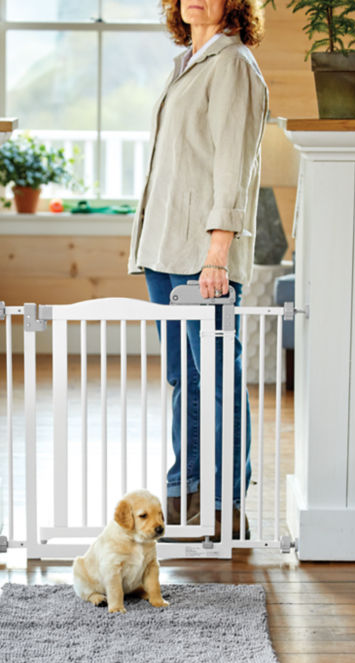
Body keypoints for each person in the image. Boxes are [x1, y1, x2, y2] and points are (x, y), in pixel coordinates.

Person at [128, 0, 269, 535]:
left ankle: (224, 503)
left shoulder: (234, 64)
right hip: (165, 249)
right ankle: (184, 492)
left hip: (202, 255)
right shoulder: (186, 61)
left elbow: (233, 163)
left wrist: (218, 252)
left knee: (217, 378)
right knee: (183, 377)